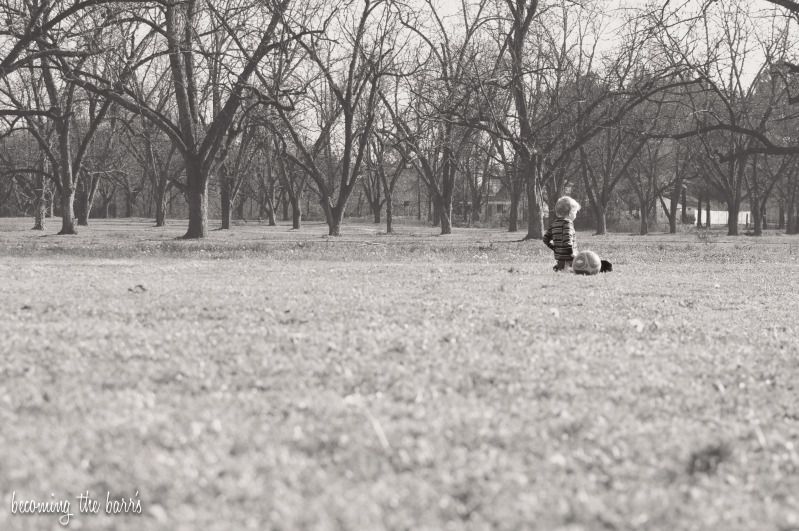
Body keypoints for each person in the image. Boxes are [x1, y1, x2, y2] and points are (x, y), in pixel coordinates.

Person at [543, 196, 580, 271]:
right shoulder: (568, 223)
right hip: (569, 257)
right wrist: (572, 253)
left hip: (560, 257)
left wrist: (555, 248)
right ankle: (563, 268)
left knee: (562, 267)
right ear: (570, 213)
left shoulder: (554, 224)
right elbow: (567, 239)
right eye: (575, 212)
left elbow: (545, 239)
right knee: (576, 269)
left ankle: (559, 267)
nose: (576, 215)